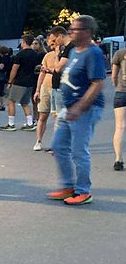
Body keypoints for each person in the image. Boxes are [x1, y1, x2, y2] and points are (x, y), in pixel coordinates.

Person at [47, 15, 106, 205]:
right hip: (69, 107)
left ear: (87, 32)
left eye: (75, 29)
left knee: (79, 151)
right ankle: (68, 186)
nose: (70, 31)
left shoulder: (93, 53)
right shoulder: (74, 51)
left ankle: (83, 191)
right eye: (70, 28)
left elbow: (97, 84)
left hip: (84, 109)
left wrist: (80, 108)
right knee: (58, 146)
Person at [0, 35, 39, 131]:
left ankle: (11, 123)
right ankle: (30, 123)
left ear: (24, 42)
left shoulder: (20, 54)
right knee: (25, 103)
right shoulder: (35, 54)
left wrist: (10, 82)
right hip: (30, 81)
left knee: (11, 101)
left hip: (19, 81)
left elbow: (14, 69)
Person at [32, 34, 59, 151]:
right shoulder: (48, 56)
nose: (52, 46)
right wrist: (37, 90)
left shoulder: (65, 56)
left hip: (57, 89)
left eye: (53, 43)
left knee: (57, 117)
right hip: (45, 88)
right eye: (51, 44)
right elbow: (42, 73)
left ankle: (56, 144)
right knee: (42, 115)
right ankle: (38, 141)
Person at [111, 46, 126, 171]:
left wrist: (117, 86)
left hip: (121, 93)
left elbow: (114, 76)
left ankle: (118, 159)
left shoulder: (120, 53)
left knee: (120, 127)